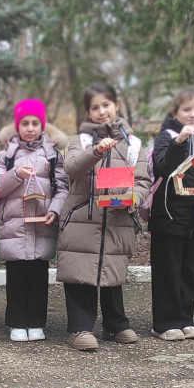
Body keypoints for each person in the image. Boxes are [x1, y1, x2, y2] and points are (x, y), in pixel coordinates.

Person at [56, 84, 149, 351]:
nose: (101, 111)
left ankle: (116, 324)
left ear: (116, 106)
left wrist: (133, 198)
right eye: (94, 107)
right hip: (81, 217)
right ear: (87, 112)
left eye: (106, 105)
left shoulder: (133, 145)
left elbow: (142, 181)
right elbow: (72, 170)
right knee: (80, 273)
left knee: (112, 272)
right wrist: (96, 151)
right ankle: (80, 328)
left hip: (118, 218)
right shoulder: (80, 141)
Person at [0, 98, 68, 343]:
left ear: (42, 126)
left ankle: (36, 322)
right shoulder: (6, 156)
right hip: (15, 226)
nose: (30, 128)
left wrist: (54, 210)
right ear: (17, 126)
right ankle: (16, 322)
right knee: (16, 276)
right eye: (25, 123)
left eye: (35, 123)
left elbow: (62, 189)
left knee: (38, 276)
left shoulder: (53, 156)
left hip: (41, 224)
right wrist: (15, 175)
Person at [149, 86, 194, 341]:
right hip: (168, 216)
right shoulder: (166, 136)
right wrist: (179, 141)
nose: (193, 115)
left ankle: (185, 318)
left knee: (190, 271)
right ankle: (164, 323)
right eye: (187, 109)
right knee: (168, 270)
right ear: (175, 111)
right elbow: (162, 167)